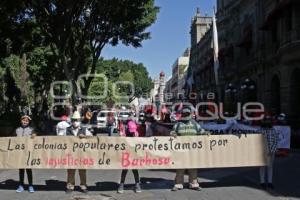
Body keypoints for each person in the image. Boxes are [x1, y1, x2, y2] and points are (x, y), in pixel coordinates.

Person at [170, 108, 206, 192]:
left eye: (187, 113)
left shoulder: (194, 124)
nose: (186, 115)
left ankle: (194, 184)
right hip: (181, 150)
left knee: (193, 167)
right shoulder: (178, 124)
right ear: (182, 114)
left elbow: (201, 131)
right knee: (180, 168)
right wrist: (174, 134)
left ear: (190, 114)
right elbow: (172, 132)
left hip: (192, 150)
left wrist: (205, 133)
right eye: (184, 114)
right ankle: (178, 184)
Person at [65, 111, 92, 194]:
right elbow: (60, 140)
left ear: (79, 121)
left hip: (81, 154)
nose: (75, 122)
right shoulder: (67, 129)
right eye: (74, 120)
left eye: (77, 120)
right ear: (72, 121)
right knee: (70, 171)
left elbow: (91, 138)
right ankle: (70, 186)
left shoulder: (84, 130)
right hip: (70, 154)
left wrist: (85, 137)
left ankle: (83, 186)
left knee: (82, 171)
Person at [117, 115, 141, 193]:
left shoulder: (136, 133)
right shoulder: (124, 133)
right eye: (131, 130)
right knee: (125, 169)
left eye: (133, 130)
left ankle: (137, 184)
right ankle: (121, 184)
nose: (132, 132)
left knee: (135, 170)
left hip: (134, 154)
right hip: (126, 154)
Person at [15, 115, 36, 193]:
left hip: (28, 153)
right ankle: (21, 185)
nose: (25, 122)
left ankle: (30, 185)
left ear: (29, 122)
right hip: (20, 153)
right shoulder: (17, 130)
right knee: (21, 170)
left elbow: (36, 140)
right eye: (23, 120)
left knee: (28, 169)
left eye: (27, 121)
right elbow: (12, 140)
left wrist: (34, 136)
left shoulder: (31, 129)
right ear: (21, 121)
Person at [259, 115, 278, 190]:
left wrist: (271, 151)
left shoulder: (273, 130)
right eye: (266, 121)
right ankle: (262, 182)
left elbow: (275, 141)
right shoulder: (260, 130)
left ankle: (270, 182)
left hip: (271, 152)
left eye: (268, 121)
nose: (267, 122)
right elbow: (258, 141)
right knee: (262, 167)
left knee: (270, 167)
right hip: (262, 152)